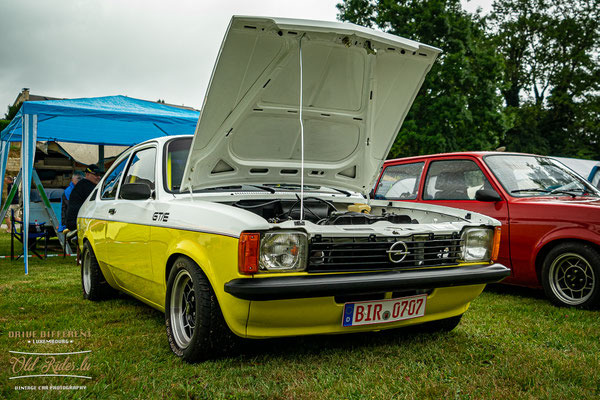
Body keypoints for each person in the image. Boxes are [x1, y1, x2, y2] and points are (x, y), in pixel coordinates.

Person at [66, 165, 103, 231]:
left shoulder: (82, 184)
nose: (99, 177)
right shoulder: (86, 186)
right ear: (87, 174)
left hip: (75, 221)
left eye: (99, 175)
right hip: (77, 222)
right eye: (96, 175)